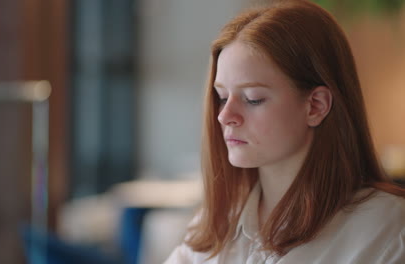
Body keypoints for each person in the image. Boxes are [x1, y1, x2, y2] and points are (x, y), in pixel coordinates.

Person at [164, 0, 405, 263]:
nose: (224, 116)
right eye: (221, 97)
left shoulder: (388, 230)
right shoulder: (216, 226)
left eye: (253, 98)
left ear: (316, 106)